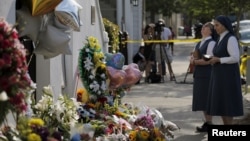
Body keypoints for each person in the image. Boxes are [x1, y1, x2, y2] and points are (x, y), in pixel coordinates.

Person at [207, 15, 244, 125]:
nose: (215, 28)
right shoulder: (220, 38)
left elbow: (235, 58)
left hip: (228, 76)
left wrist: (219, 60)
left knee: (228, 106)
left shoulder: (230, 38)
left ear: (224, 26)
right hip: (219, 75)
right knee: (222, 106)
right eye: (214, 25)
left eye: (217, 25)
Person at [190, 22, 216, 132]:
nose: (203, 28)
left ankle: (210, 123)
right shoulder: (200, 42)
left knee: (207, 100)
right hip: (200, 74)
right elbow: (195, 56)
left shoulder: (211, 43)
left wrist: (195, 62)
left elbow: (208, 60)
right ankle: (207, 122)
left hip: (207, 74)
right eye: (203, 27)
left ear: (210, 31)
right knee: (202, 100)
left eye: (206, 27)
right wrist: (192, 60)